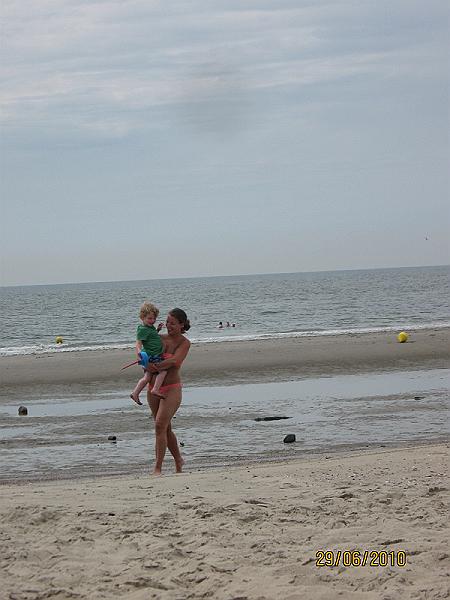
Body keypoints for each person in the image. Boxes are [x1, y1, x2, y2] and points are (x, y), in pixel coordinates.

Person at [146, 308, 191, 475]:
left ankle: (157, 468)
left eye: (172, 323)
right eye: (167, 322)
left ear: (181, 324)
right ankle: (178, 459)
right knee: (165, 428)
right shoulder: (159, 338)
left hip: (171, 389)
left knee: (159, 425)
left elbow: (175, 361)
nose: (168, 326)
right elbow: (143, 346)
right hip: (153, 388)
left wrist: (156, 366)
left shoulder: (184, 343)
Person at [130, 302, 167, 405]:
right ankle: (155, 389)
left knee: (147, 377)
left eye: (154, 318)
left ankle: (135, 393)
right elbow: (138, 343)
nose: (152, 321)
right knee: (163, 371)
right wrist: (139, 353)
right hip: (151, 356)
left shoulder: (149, 328)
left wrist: (157, 330)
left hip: (149, 355)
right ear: (142, 317)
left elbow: (151, 336)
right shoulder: (142, 329)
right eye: (149, 318)